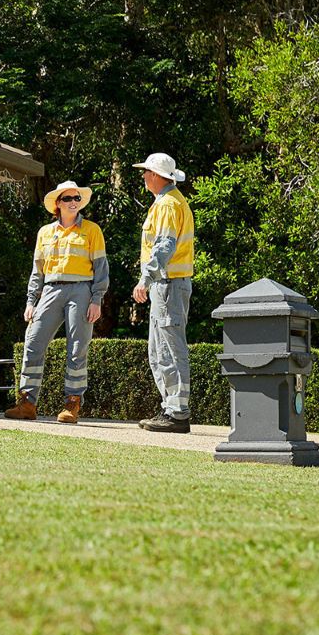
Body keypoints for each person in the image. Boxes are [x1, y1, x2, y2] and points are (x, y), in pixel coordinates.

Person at [5, 180, 107, 424]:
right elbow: (37, 271)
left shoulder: (92, 230)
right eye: (68, 198)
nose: (74, 202)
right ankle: (27, 402)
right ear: (57, 204)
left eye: (76, 199)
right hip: (50, 289)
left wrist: (97, 299)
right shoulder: (45, 232)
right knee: (33, 342)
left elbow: (101, 269)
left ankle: (72, 404)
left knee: (77, 348)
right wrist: (31, 301)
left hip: (82, 289)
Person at [131, 152, 195, 432]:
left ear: (157, 176)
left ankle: (177, 412)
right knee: (159, 349)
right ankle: (171, 408)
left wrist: (145, 279)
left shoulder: (168, 204)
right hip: (167, 285)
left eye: (146, 172)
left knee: (168, 348)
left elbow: (164, 247)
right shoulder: (168, 202)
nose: (143, 176)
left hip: (168, 284)